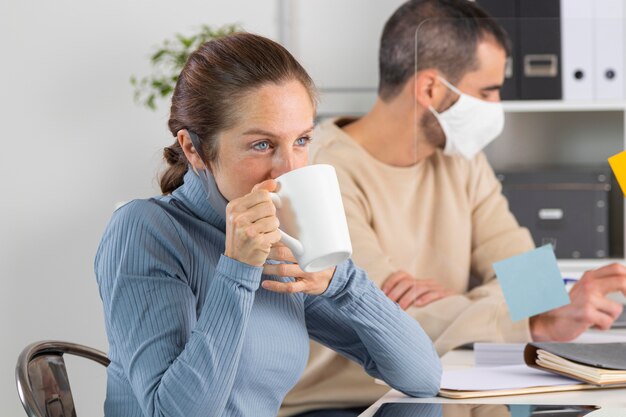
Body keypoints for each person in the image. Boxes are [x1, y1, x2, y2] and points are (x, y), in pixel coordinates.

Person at [280, 1, 626, 416]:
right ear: (431, 90)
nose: (496, 106)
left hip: (446, 384)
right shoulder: (318, 169)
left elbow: (535, 283)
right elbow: (388, 323)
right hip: (349, 403)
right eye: (487, 91)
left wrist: (458, 301)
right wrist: (524, 317)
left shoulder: (461, 158)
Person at [94, 32, 441, 417]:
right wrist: (237, 270)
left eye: (302, 140)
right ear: (194, 148)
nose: (289, 168)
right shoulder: (144, 230)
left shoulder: (281, 246)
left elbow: (422, 378)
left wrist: (340, 282)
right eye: (262, 144)